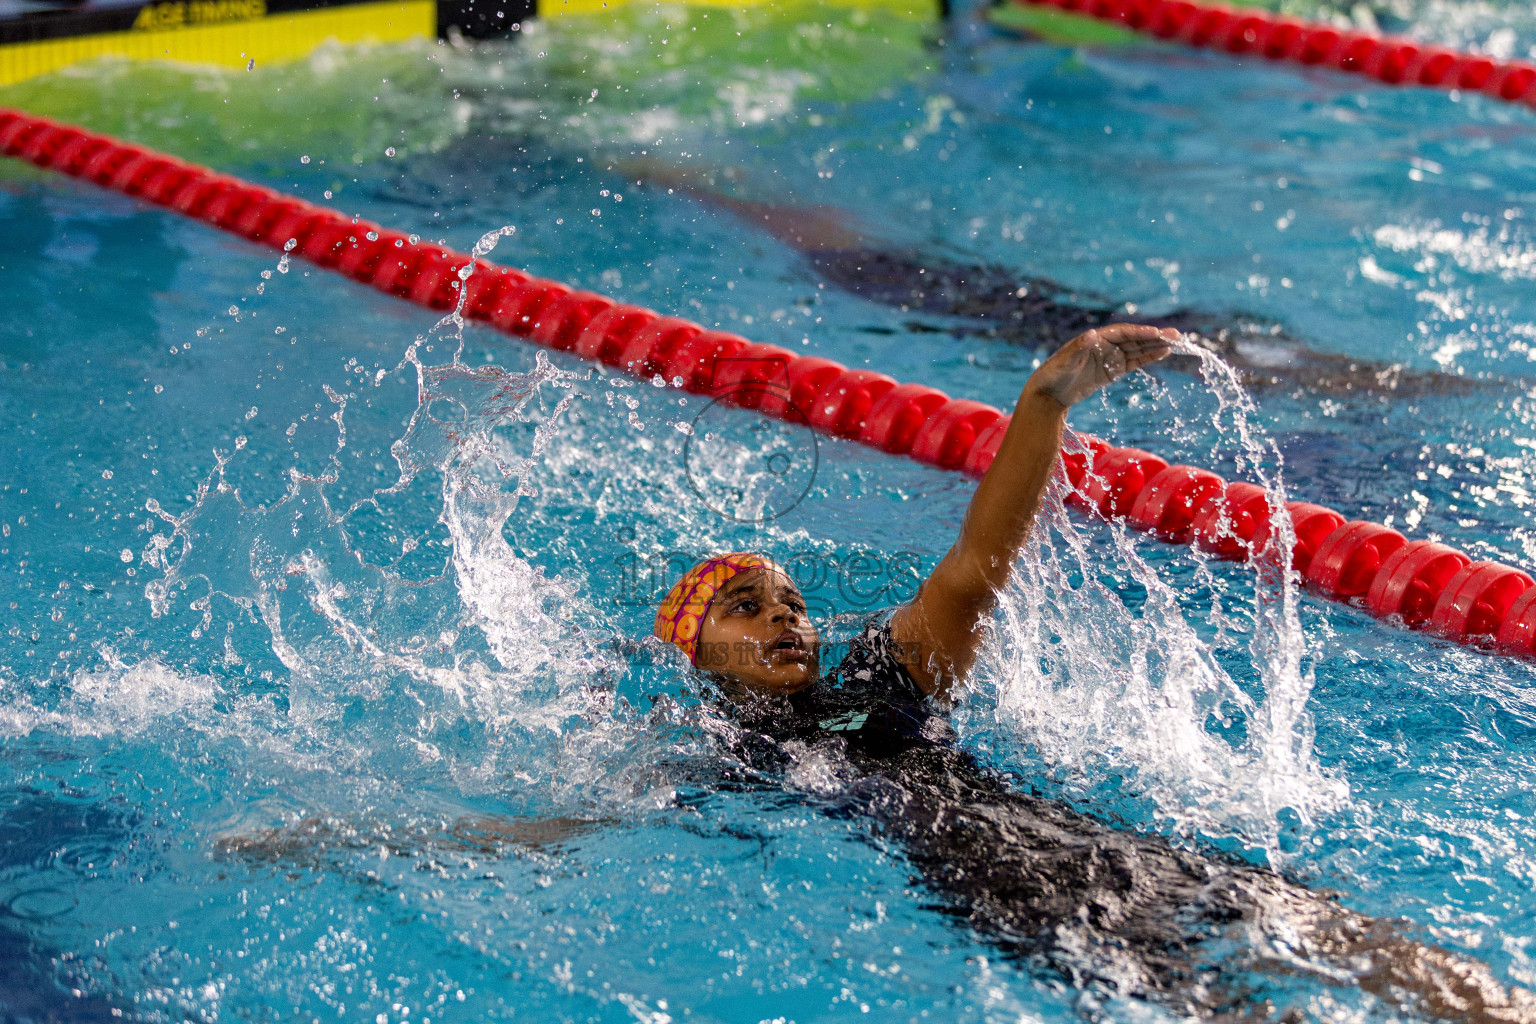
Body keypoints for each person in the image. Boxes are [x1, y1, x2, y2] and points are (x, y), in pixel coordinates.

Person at [650, 323, 1536, 1022]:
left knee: (1343, 931)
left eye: (792, 603)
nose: (783, 616)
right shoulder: (720, 749)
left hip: (1106, 848)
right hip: (1015, 896)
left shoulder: (880, 680)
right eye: (745, 605)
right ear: (695, 650)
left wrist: (1045, 401)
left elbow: (972, 568)